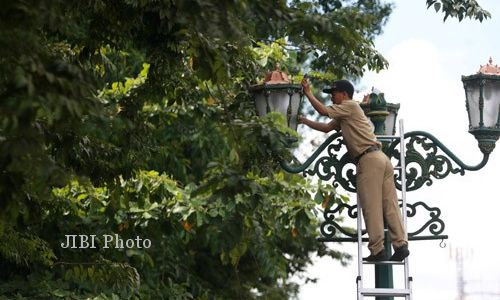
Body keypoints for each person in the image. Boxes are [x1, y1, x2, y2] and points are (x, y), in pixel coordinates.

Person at [299, 78, 409, 262]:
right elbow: (326, 128)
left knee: (371, 206)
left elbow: (324, 112)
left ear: (344, 94)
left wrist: (308, 92)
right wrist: (305, 121)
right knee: (390, 204)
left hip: (368, 160)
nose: (332, 98)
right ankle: (401, 245)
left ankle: (377, 250)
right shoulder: (346, 114)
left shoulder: (350, 106)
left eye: (334, 94)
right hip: (381, 158)